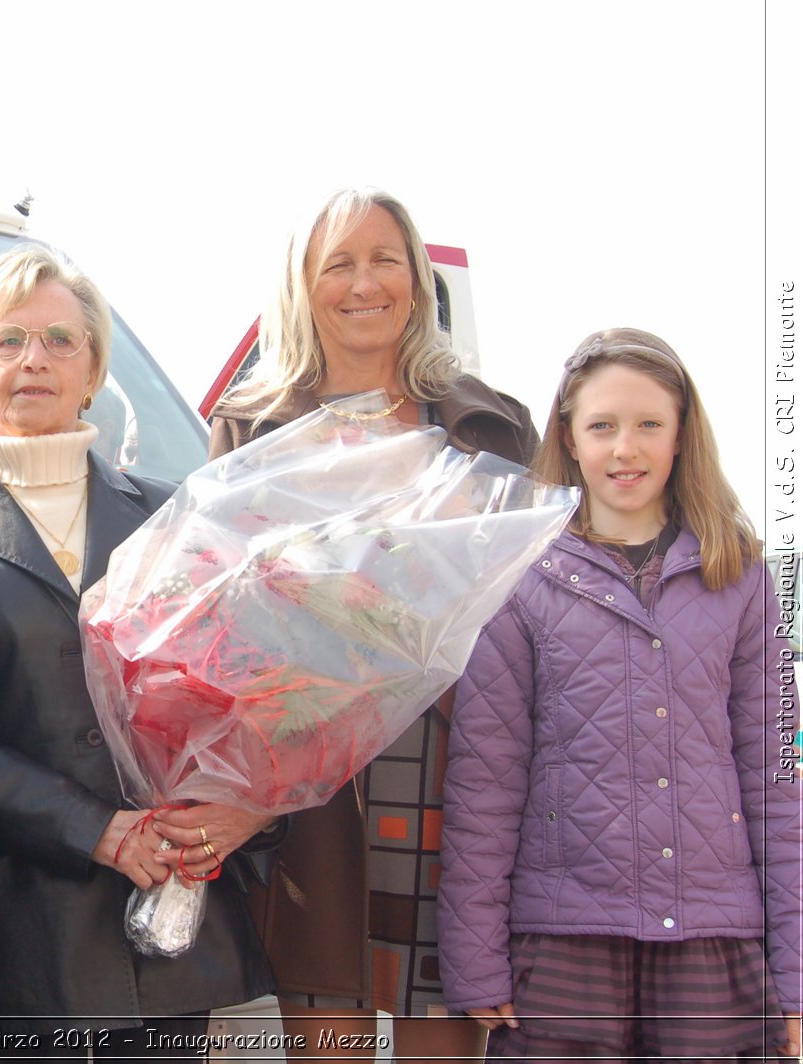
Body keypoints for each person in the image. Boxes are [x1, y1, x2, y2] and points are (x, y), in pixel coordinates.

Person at [0, 244, 280, 1055]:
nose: (33, 360)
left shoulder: (177, 516)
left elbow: (250, 697)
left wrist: (243, 809)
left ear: (93, 371)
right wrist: (95, 828)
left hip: (172, 927)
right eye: (6, 341)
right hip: (24, 936)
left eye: (59, 340)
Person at [208, 187, 538, 1062]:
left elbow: (534, 607)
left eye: (385, 258)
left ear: (418, 276)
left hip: (459, 772)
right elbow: (217, 618)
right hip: (314, 782)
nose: (365, 283)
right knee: (330, 1040)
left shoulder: (490, 424)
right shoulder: (249, 427)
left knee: (444, 1032)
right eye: (338, 263)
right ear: (302, 285)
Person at [439, 328, 802, 1061]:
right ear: (569, 438)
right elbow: (486, 780)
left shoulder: (742, 580)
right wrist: (474, 956)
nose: (625, 449)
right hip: (565, 941)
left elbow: (779, 782)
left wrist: (795, 977)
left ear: (680, 437)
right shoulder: (521, 580)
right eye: (602, 426)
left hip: (714, 940)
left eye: (648, 426)